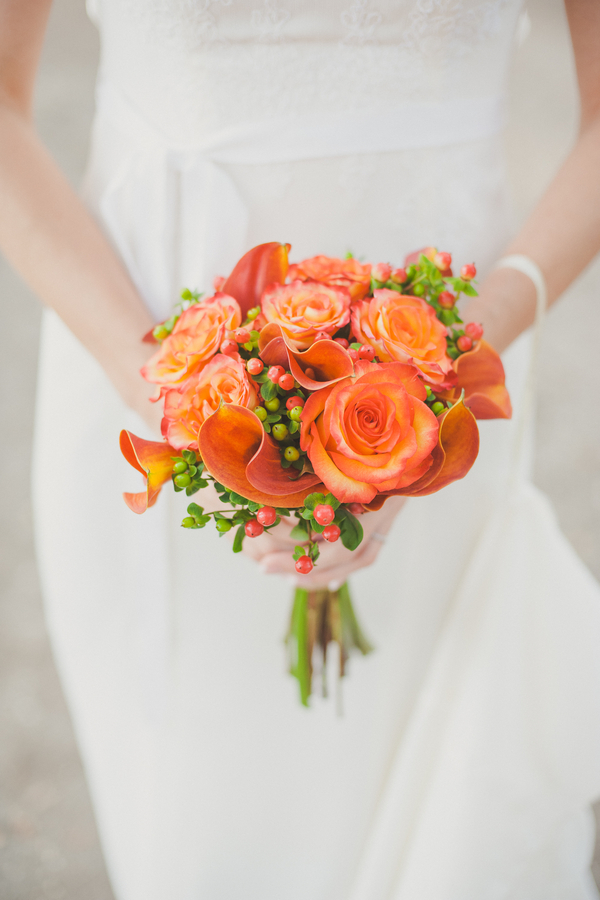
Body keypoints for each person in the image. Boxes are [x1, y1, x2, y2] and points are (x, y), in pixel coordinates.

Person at [2, 1, 600, 897]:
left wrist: (444, 372)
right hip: (138, 356)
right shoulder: (161, 396)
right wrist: (182, 399)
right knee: (198, 828)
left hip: (453, 370)